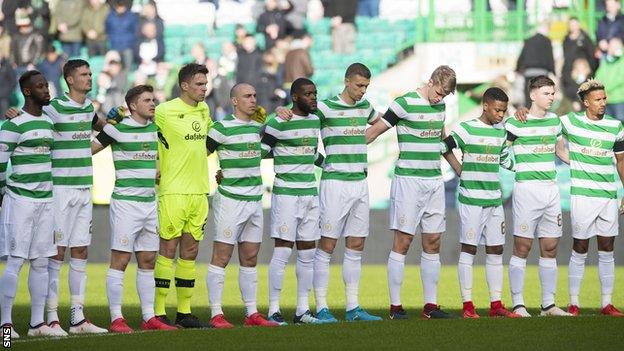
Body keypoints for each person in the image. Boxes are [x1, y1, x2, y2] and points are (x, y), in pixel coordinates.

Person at [279, 63, 383, 322]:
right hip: (334, 182)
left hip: (360, 181)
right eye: (359, 85)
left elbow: (380, 122)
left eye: (366, 87)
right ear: (346, 81)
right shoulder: (325, 107)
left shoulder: (365, 107)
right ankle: (322, 306)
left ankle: (353, 307)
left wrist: (368, 136)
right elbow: (298, 118)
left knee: (356, 244)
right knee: (327, 244)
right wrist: (281, 110)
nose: (362, 91)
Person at [366, 65, 460, 319]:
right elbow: (374, 131)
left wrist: (460, 170)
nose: (440, 98)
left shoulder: (440, 108)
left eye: (444, 96)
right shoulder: (404, 103)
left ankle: (430, 306)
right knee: (403, 241)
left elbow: (442, 144)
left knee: (433, 242)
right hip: (408, 182)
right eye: (439, 92)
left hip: (434, 182)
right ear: (430, 81)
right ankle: (395, 307)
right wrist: (346, 148)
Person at [91, 85, 177, 333]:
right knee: (120, 258)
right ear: (133, 105)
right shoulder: (116, 130)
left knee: (148, 259)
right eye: (147, 100)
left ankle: (148, 317)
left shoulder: (154, 128)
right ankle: (116, 318)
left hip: (150, 202)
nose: (153, 103)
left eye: (153, 99)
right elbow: (90, 150)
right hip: (126, 204)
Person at [42, 59, 108, 335]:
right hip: (60, 189)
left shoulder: (88, 109)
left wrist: (88, 150)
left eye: (90, 74)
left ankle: (77, 318)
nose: (89, 78)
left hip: (83, 188)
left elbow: (105, 130)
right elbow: (32, 122)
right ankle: (51, 317)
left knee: (80, 250)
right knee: (57, 253)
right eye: (84, 74)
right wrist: (14, 114)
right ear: (70, 79)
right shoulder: (54, 108)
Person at [205, 83, 279, 328]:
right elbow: (198, 155)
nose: (253, 99)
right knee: (222, 256)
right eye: (247, 96)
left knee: (250, 257)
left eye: (255, 95)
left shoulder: (258, 129)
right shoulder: (220, 129)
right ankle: (216, 313)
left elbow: (269, 148)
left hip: (254, 200)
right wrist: (218, 174)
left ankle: (252, 313)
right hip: (230, 200)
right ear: (234, 101)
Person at [440, 87, 518, 319]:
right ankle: (468, 306)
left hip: (494, 200)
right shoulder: (466, 129)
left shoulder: (501, 133)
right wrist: (458, 168)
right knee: (470, 248)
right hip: (471, 199)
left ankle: (496, 305)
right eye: (497, 110)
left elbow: (507, 161)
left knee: (496, 249)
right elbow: (445, 147)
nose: (501, 115)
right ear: (485, 105)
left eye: (503, 111)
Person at [0, 70, 64, 338]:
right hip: (20, 201)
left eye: (47, 86)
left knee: (40, 262)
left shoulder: (49, 123)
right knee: (16, 261)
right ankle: (5, 326)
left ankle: (38, 325)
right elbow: (1, 164)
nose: (47, 90)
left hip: (45, 201)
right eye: (40, 87)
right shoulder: (13, 125)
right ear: (27, 92)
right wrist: (5, 195)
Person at [505, 76, 571, 317]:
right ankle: (518, 304)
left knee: (550, 246)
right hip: (527, 190)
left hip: (551, 190)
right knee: (522, 246)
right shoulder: (516, 122)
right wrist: (512, 167)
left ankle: (548, 305)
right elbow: (503, 147)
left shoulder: (555, 122)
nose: (551, 97)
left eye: (553, 93)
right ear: (533, 95)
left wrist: (582, 163)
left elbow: (560, 150)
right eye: (546, 93)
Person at [153, 63, 212, 328]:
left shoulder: (204, 109)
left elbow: (210, 143)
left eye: (205, 84)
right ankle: (158, 311)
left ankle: (185, 312)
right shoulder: (164, 111)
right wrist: (155, 167)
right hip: (173, 189)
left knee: (191, 250)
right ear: (184, 86)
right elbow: (146, 136)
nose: (204, 88)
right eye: (199, 84)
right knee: (168, 249)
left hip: (199, 190)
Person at [263, 78, 326, 325]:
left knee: (308, 253)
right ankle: (273, 310)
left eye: (315, 93)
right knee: (282, 251)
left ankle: (302, 311)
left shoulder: (315, 120)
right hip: (286, 194)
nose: (313, 97)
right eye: (308, 94)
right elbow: (261, 150)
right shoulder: (278, 122)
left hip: (310, 193)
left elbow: (311, 154)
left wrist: (332, 165)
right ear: (295, 97)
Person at [561, 80, 624, 316]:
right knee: (580, 247)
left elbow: (621, 161)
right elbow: (547, 124)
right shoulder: (571, 122)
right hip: (582, 196)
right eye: (598, 99)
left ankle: (606, 303)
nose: (603, 103)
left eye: (604, 98)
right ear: (586, 102)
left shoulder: (615, 126)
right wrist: (526, 111)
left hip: (607, 195)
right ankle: (574, 302)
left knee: (607, 248)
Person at [516, 22, 555, 107]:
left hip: (529, 73)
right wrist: (553, 71)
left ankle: (529, 115)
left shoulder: (529, 40)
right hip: (542, 73)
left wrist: (518, 69)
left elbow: (522, 56)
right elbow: (550, 57)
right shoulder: (547, 41)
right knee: (542, 96)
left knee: (529, 96)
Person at [595, 38, 624, 122]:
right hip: (606, 100)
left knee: (620, 122)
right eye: (611, 46)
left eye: (615, 46)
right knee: (608, 124)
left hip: (619, 99)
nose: (612, 48)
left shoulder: (622, 60)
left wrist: (605, 90)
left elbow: (621, 78)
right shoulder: (606, 60)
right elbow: (598, 76)